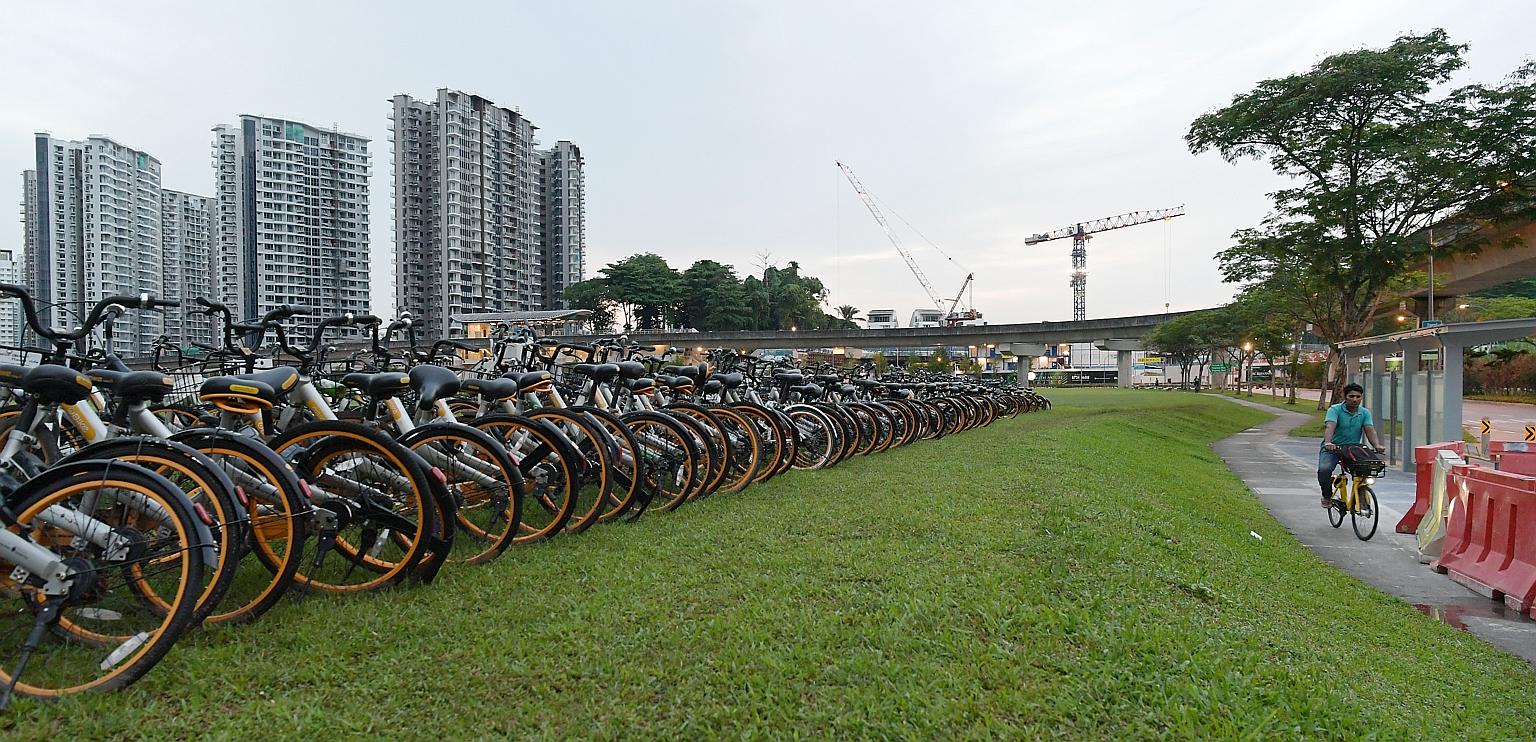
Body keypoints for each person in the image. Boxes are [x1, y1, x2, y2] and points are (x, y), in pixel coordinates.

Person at [1318, 382, 1384, 507]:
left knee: (1367, 467)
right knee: (1324, 470)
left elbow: (1369, 429)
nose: (1355, 399)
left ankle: (1361, 493)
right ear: (1345, 396)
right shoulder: (1334, 410)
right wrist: (1328, 442)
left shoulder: (1364, 413)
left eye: (1358, 397)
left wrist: (1377, 445)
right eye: (1351, 396)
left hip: (1352, 449)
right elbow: (1330, 426)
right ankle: (1327, 496)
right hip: (1333, 448)